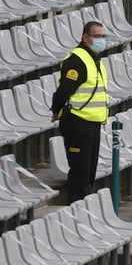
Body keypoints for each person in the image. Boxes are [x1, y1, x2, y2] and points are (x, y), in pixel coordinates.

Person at [50, 21, 110, 203]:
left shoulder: (94, 59)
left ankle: (85, 207)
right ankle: (75, 209)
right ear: (85, 38)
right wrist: (56, 110)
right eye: (97, 36)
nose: (101, 40)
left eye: (103, 36)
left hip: (92, 121)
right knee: (80, 171)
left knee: (89, 170)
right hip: (77, 122)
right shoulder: (77, 60)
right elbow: (63, 91)